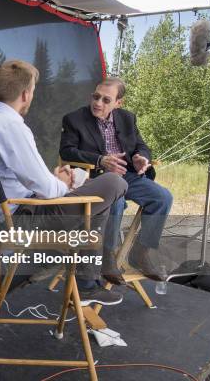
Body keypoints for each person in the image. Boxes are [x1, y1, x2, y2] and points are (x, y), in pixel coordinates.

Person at [0, 60, 127, 306]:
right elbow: (50, 191)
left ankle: (75, 273)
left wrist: (55, 180)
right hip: (20, 222)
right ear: (26, 94)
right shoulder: (10, 126)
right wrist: (62, 182)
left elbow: (19, 179)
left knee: (89, 205)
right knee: (114, 183)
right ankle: (84, 280)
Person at [60, 77, 173, 284]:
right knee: (116, 202)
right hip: (96, 178)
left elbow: (141, 145)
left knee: (163, 197)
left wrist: (141, 158)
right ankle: (107, 256)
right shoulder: (74, 119)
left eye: (106, 100)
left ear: (118, 103)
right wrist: (100, 160)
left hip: (127, 174)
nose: (98, 103)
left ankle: (140, 252)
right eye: (96, 97)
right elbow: (66, 152)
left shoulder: (127, 119)